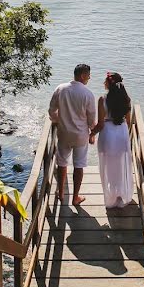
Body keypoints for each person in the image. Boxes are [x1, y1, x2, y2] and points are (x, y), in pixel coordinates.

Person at [48, 64, 96, 205]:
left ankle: (61, 192)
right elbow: (91, 118)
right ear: (82, 75)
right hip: (80, 135)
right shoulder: (88, 94)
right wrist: (92, 133)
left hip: (63, 133)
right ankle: (75, 197)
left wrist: (57, 120)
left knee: (62, 162)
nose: (89, 77)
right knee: (79, 165)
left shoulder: (60, 89)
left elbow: (51, 110)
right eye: (88, 75)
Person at [90, 72, 135, 208]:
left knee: (108, 166)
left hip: (108, 134)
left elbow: (101, 124)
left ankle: (111, 197)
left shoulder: (102, 100)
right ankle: (121, 195)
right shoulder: (126, 99)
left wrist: (91, 134)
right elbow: (128, 121)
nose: (103, 83)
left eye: (105, 81)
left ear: (109, 84)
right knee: (121, 165)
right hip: (121, 133)